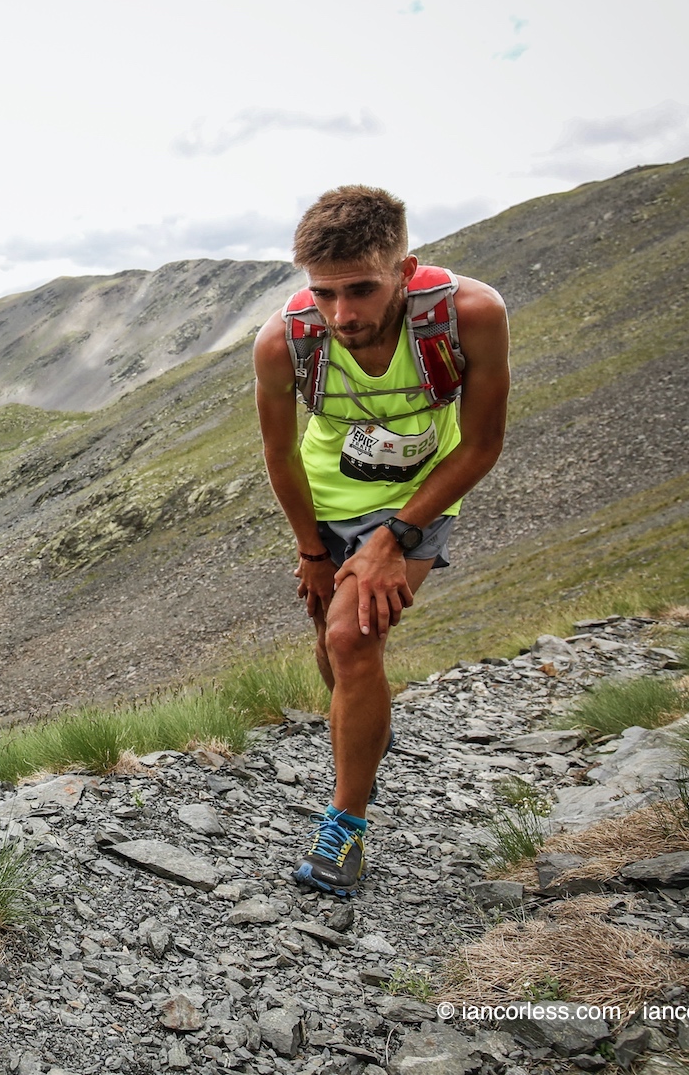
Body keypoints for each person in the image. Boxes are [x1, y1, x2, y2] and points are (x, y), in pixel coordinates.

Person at [252, 185, 511, 897]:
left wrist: (395, 537)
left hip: (421, 496)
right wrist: (311, 551)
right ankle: (366, 728)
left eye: (362, 289)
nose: (342, 315)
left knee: (351, 637)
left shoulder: (470, 315)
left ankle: (346, 828)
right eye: (325, 293)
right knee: (330, 639)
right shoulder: (283, 341)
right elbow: (281, 454)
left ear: (405, 269)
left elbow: (482, 443)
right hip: (327, 502)